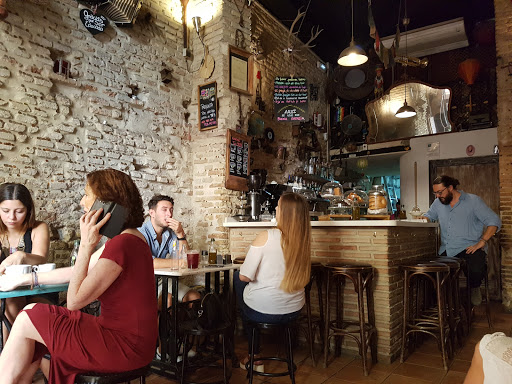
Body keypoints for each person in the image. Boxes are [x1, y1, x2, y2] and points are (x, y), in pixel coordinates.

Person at [0, 169, 157, 384]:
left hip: (124, 345)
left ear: (106, 203)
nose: (82, 202)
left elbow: (73, 301)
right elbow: (78, 272)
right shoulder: (130, 238)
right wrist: (28, 279)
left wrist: (85, 244)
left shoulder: (122, 244)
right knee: (30, 316)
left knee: (28, 316)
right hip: (130, 340)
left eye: (87, 195)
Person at [234, 192, 311, 370]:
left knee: (237, 280)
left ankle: (255, 357)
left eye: (278, 206)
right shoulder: (303, 240)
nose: (275, 209)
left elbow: (244, 276)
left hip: (263, 313)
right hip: (294, 312)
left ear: (285, 213)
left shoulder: (266, 236)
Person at [423, 175, 501, 306]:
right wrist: (423, 219)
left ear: (450, 188)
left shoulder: (473, 201)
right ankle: (447, 307)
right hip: (447, 249)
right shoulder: (438, 203)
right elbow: (429, 215)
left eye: (440, 192)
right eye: (435, 193)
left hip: (469, 247)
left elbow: (494, 221)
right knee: (431, 274)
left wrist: (482, 241)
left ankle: (474, 288)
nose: (437, 196)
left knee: (476, 270)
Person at [0, 183, 51, 327]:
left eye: (19, 211)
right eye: (5, 210)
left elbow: (41, 258)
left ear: (28, 210)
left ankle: (12, 348)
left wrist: (21, 256)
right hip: (4, 292)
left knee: (15, 303)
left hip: (35, 288)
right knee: (9, 301)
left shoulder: (38, 228)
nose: (12, 217)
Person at [138, 194, 201, 308]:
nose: (169, 214)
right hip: (144, 283)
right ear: (152, 213)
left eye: (171, 210)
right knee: (167, 300)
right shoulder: (140, 233)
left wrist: (180, 234)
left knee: (194, 297)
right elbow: (148, 262)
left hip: (163, 279)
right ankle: (166, 325)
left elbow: (185, 256)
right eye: (164, 210)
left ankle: (181, 324)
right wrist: (180, 262)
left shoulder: (169, 233)